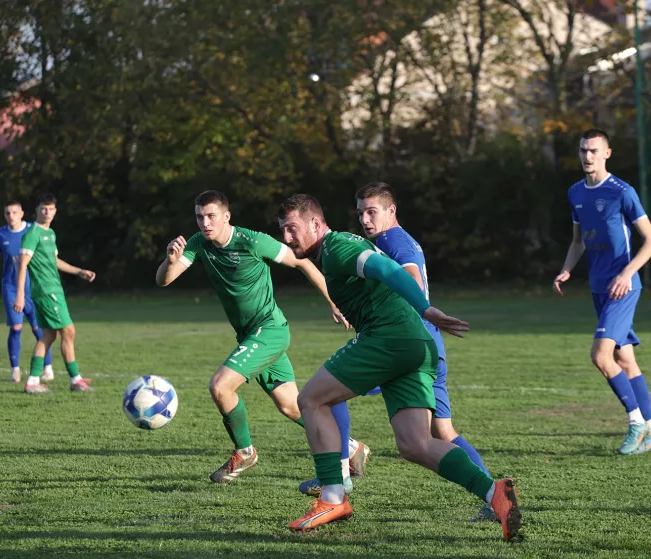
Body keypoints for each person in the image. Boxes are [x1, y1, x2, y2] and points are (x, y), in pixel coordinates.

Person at [277, 194, 521, 541]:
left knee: (311, 400)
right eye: (283, 231)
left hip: (389, 339)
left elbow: (388, 269)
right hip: (416, 346)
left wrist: (426, 308)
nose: (287, 238)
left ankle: (333, 496)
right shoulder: (332, 251)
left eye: (292, 229)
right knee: (415, 444)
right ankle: (493, 493)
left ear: (315, 223)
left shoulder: (336, 247)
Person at [156, 190, 369, 486]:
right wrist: (170, 260)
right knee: (291, 406)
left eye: (211, 216)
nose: (205, 223)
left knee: (220, 386)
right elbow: (164, 280)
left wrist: (334, 302)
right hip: (250, 335)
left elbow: (303, 262)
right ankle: (352, 447)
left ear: (226, 216)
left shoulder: (252, 241)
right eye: (200, 217)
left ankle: (245, 452)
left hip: (268, 330)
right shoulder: (198, 244)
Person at [346, 181, 496, 522]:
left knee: (326, 394)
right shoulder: (391, 240)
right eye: (360, 213)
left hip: (405, 350)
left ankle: (338, 474)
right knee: (443, 433)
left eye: (372, 212)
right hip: (427, 348)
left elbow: (412, 282)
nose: (365, 220)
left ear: (391, 211)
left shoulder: (393, 241)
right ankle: (493, 495)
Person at [554, 128, 651, 455]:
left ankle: (636, 423)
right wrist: (567, 269)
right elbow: (578, 241)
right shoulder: (575, 192)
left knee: (601, 356)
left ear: (607, 153)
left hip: (623, 288)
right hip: (599, 288)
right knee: (624, 359)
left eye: (594, 151)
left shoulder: (622, 192)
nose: (587, 156)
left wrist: (628, 273)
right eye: (583, 150)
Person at [14, 194, 95, 394]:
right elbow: (22, 264)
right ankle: (75, 379)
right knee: (69, 331)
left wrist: (78, 271)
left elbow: (54, 261)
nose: (47, 212)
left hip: (53, 289)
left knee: (49, 335)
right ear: (37, 210)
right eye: (43, 208)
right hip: (46, 291)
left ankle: (33, 381)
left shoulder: (50, 233)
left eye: (50, 209)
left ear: (55, 211)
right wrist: (19, 295)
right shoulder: (33, 233)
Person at [0, 201, 54, 383]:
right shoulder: (0, 234)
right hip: (11, 287)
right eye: (8, 213)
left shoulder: (33, 231)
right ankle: (15, 370)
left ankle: (48, 368)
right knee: (16, 328)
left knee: (40, 329)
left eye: (15, 212)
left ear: (22, 213)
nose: (11, 216)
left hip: (33, 287)